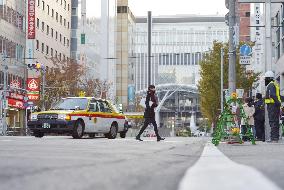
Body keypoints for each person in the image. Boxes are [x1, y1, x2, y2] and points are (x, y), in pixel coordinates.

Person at [264, 71, 284, 143]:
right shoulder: (274, 85)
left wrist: (278, 103)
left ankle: (274, 138)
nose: (265, 80)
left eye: (266, 78)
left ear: (269, 78)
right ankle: (274, 137)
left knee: (273, 121)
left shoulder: (271, 85)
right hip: (274, 105)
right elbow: (277, 96)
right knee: (274, 121)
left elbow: (272, 95)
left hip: (272, 105)